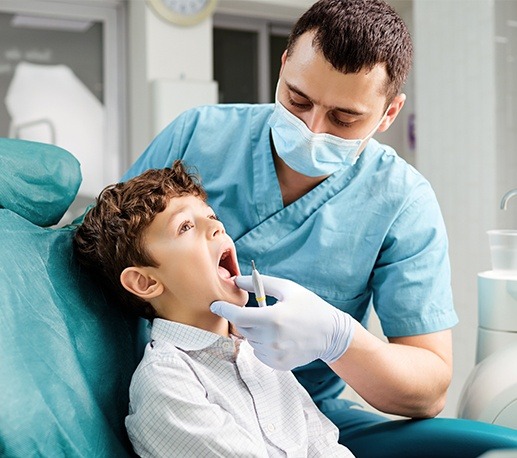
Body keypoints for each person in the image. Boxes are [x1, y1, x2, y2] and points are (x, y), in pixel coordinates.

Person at [121, 0, 517, 455]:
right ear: (284, 64)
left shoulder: (401, 200)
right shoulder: (198, 135)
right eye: (298, 100)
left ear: (389, 114)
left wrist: (338, 339)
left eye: (344, 118)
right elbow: (107, 243)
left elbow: (427, 389)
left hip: (304, 408)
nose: (311, 128)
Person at [73, 162, 353, 457]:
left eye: (211, 216)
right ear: (145, 282)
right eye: (186, 227)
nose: (217, 227)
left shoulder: (261, 355)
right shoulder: (167, 383)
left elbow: (325, 445)